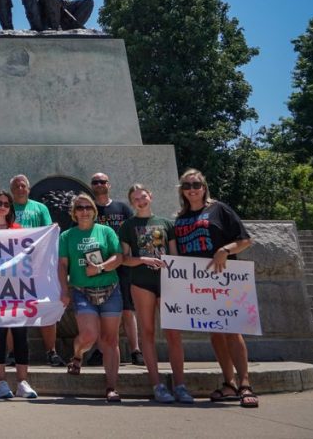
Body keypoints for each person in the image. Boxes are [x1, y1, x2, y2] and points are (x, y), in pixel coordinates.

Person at [174, 168, 256, 408]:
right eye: (187, 186)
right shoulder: (180, 218)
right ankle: (229, 383)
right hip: (198, 282)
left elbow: (244, 240)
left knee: (232, 330)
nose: (192, 189)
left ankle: (245, 383)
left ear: (204, 187)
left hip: (223, 278)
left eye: (196, 185)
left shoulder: (219, 209)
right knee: (215, 333)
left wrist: (224, 250)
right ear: (182, 190)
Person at [119, 184, 192, 404]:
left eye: (143, 197)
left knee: (173, 333)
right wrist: (143, 259)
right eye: (135, 199)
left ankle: (180, 385)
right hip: (141, 282)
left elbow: (175, 255)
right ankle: (157, 384)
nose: (140, 201)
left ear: (150, 196)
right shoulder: (127, 225)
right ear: (131, 202)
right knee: (147, 332)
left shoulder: (166, 223)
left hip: (167, 282)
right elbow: (124, 258)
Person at [58, 193, 124, 402]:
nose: (84, 211)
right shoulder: (67, 236)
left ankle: (111, 387)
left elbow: (118, 257)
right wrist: (64, 290)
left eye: (88, 207)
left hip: (110, 289)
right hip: (82, 291)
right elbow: (62, 265)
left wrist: (100, 268)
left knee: (110, 340)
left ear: (94, 211)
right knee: (88, 335)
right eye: (80, 208)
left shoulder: (106, 231)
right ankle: (78, 354)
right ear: (74, 213)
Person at [0, 189, 38, 400]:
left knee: (21, 333)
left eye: (6, 204)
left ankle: (22, 382)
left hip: (16, 287)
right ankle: (1, 382)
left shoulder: (17, 230)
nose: (2, 207)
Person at [10, 174, 65, 367]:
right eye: (16, 186)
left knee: (45, 307)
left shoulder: (40, 208)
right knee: (11, 310)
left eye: (23, 185)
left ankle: (51, 351)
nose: (20, 189)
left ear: (28, 188)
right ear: (11, 190)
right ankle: (12, 353)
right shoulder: (6, 207)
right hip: (13, 269)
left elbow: (48, 232)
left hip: (38, 267)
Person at [88, 172, 141, 368]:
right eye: (95, 182)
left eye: (102, 181)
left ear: (109, 185)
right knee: (102, 310)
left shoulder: (122, 208)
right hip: (99, 265)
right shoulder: (88, 210)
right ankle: (101, 350)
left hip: (123, 264)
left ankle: (136, 350)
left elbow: (133, 232)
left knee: (127, 309)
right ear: (91, 186)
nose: (99, 184)